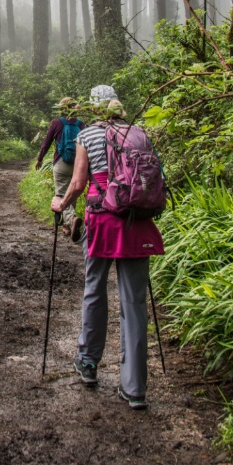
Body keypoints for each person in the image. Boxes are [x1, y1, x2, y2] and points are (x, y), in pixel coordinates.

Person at [50, 89, 164, 410]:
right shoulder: (137, 133)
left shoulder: (88, 134)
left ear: (93, 108)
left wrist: (61, 204)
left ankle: (88, 363)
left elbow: (78, 182)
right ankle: (135, 387)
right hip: (135, 222)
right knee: (134, 301)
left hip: (101, 220)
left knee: (95, 289)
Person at [35, 97, 84, 237]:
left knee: (62, 194)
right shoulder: (81, 124)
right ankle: (68, 226)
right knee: (72, 193)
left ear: (61, 108)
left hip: (61, 163)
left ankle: (71, 220)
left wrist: (40, 159)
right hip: (77, 164)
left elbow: (46, 143)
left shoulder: (56, 123)